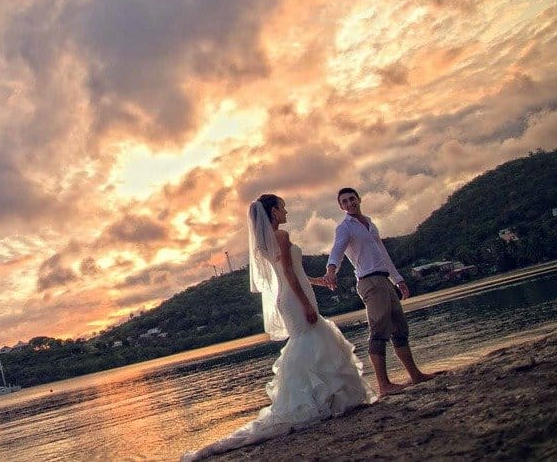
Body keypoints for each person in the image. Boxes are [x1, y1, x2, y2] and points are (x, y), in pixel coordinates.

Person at [181, 194, 373, 461]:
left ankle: (321, 400)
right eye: (282, 207)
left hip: (291, 294)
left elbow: (292, 273)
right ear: (273, 212)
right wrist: (306, 303)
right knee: (310, 340)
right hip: (294, 298)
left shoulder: (264, 242)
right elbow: (291, 273)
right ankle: (319, 402)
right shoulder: (280, 236)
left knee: (308, 343)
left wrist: (318, 282)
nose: (286, 211)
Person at [323, 187, 436, 396]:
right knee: (378, 331)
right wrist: (331, 272)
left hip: (384, 279)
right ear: (341, 207)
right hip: (369, 282)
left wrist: (398, 280)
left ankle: (415, 375)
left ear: (359, 199)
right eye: (344, 202)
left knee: (400, 329)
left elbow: (383, 253)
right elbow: (336, 251)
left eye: (352, 199)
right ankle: (383, 385)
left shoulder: (370, 225)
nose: (349, 203)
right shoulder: (345, 228)